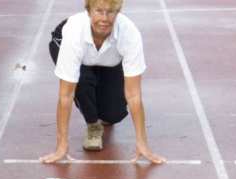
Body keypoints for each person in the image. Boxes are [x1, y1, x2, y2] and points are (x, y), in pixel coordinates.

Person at [41, 0, 164, 164]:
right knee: (82, 81)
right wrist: (61, 146)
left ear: (118, 12)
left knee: (113, 114)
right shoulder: (74, 32)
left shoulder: (129, 33)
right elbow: (66, 95)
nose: (104, 18)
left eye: (111, 11)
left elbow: (133, 95)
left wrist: (142, 143)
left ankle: (99, 97)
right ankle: (93, 125)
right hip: (74, 49)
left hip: (109, 59)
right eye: (99, 11)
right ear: (89, 11)